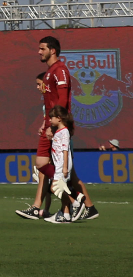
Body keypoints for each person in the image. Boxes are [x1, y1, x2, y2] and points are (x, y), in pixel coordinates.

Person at [16, 36, 98, 221]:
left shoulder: (59, 70)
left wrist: (54, 125)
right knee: (65, 173)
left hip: (58, 127)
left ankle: (73, 202)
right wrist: (45, 123)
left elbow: (61, 100)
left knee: (43, 165)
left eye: (42, 48)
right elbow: (51, 102)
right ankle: (77, 209)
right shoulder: (50, 72)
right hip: (52, 124)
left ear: (52, 50)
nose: (39, 52)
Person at [44, 107, 84, 224]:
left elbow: (65, 149)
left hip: (63, 164)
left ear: (59, 119)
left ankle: (75, 203)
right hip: (59, 164)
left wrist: (65, 166)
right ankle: (66, 215)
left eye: (52, 118)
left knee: (54, 188)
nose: (50, 120)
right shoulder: (59, 132)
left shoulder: (64, 132)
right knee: (61, 187)